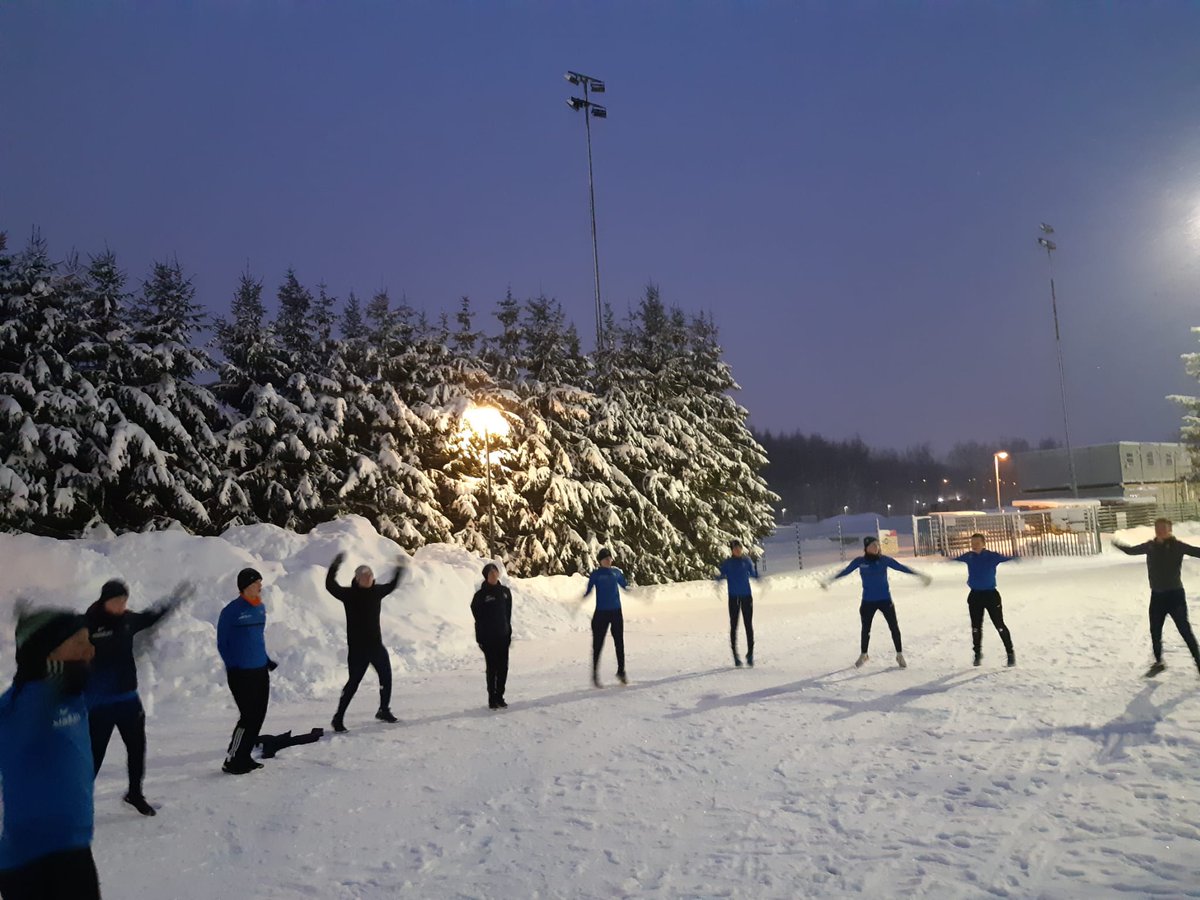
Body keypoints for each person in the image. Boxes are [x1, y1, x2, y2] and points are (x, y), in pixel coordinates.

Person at [0, 607, 101, 900]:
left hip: (74, 847)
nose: (90, 650)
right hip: (34, 863)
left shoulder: (73, 693)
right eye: (79, 643)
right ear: (48, 654)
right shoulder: (20, 708)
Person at [85, 579, 191, 816]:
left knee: (137, 748)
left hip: (128, 699)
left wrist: (174, 600)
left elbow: (152, 616)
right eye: (116, 601)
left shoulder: (128, 620)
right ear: (104, 600)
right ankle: (77, 799)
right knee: (93, 755)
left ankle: (135, 793)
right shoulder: (88, 623)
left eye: (124, 601)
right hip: (100, 703)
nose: (121, 605)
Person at [821, 536, 931, 669]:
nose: (876, 547)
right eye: (873, 545)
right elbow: (846, 571)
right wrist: (829, 580)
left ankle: (899, 655)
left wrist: (919, 575)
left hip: (885, 600)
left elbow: (901, 567)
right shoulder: (860, 561)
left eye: (877, 545)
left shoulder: (884, 560)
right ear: (866, 548)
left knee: (894, 627)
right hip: (868, 601)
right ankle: (864, 654)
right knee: (865, 629)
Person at [325, 552, 404, 732]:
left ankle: (383, 710)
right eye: (364, 576)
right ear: (357, 579)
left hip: (376, 646)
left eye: (370, 575)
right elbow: (330, 586)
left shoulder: (377, 591)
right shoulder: (349, 594)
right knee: (353, 683)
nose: (368, 579)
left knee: (386, 677)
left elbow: (392, 585)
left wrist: (400, 568)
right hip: (358, 650)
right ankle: (338, 717)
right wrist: (334, 566)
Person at [1114, 517, 1200, 678]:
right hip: (1157, 596)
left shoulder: (1178, 546)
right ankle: (1159, 662)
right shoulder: (1150, 546)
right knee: (1155, 631)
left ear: (1170, 529)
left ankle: (1199, 663)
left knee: (1185, 631)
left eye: (1163, 528)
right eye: (1157, 528)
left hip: (1175, 596)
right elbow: (1131, 551)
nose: (1160, 531)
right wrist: (1117, 543)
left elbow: (1198, 552)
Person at [217, 568, 277, 775]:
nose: (260, 586)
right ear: (245, 587)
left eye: (260, 582)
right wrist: (233, 665)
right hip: (241, 673)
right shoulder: (231, 611)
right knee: (248, 716)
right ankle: (232, 759)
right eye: (256, 583)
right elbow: (222, 643)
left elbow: (257, 639)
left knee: (259, 715)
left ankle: (244, 755)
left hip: (260, 670)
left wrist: (265, 660)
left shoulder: (260, 608)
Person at [951, 534, 1017, 667]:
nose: (974, 545)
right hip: (975, 596)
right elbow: (953, 559)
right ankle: (977, 653)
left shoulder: (992, 556)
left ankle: (1010, 653)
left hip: (991, 595)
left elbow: (1007, 558)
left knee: (999, 625)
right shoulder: (969, 556)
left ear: (983, 543)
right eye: (972, 543)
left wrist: (1018, 558)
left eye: (977, 543)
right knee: (976, 627)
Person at [584, 548, 629, 687]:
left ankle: (621, 671)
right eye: (605, 559)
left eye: (609, 558)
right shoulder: (596, 574)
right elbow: (589, 589)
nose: (608, 561)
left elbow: (624, 585)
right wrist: (581, 598)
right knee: (598, 644)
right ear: (600, 561)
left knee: (619, 642)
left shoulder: (616, 572)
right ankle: (595, 674)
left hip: (616, 612)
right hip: (601, 613)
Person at [471, 563, 513, 709]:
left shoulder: (505, 592)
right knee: (492, 668)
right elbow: (478, 618)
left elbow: (508, 614)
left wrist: (508, 632)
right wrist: (480, 638)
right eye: (491, 573)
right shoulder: (480, 596)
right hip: (489, 638)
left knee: (503, 668)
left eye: (495, 571)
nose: (494, 575)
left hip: (503, 636)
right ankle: (492, 698)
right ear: (486, 576)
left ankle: (500, 696)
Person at [716, 540, 759, 667]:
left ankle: (750, 654)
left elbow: (753, 574)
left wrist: (759, 578)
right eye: (735, 548)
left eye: (739, 548)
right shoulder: (728, 563)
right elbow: (721, 575)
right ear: (732, 550)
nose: (738, 550)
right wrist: (717, 580)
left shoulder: (747, 561)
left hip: (746, 597)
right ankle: (735, 655)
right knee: (734, 625)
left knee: (748, 625)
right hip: (733, 598)